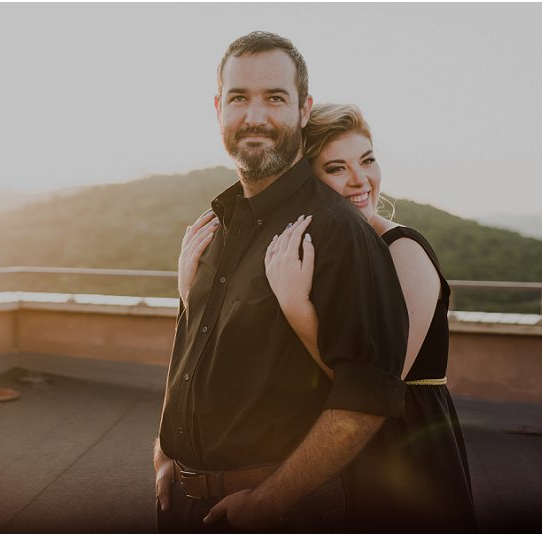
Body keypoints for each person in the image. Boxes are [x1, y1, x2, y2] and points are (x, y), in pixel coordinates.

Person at [153, 31, 409, 532]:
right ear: (218, 108)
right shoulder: (215, 227)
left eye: (275, 98)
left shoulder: (338, 233)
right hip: (180, 503)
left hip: (276, 511)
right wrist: (164, 453)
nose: (254, 116)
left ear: (303, 108)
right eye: (238, 98)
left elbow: (366, 399)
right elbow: (191, 348)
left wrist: (269, 501)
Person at [183, 103, 477, 532]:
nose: (360, 180)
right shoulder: (312, 257)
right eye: (337, 168)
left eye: (368, 160)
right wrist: (193, 295)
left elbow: (376, 387)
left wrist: (296, 306)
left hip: (404, 458)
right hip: (335, 462)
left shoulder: (404, 252)